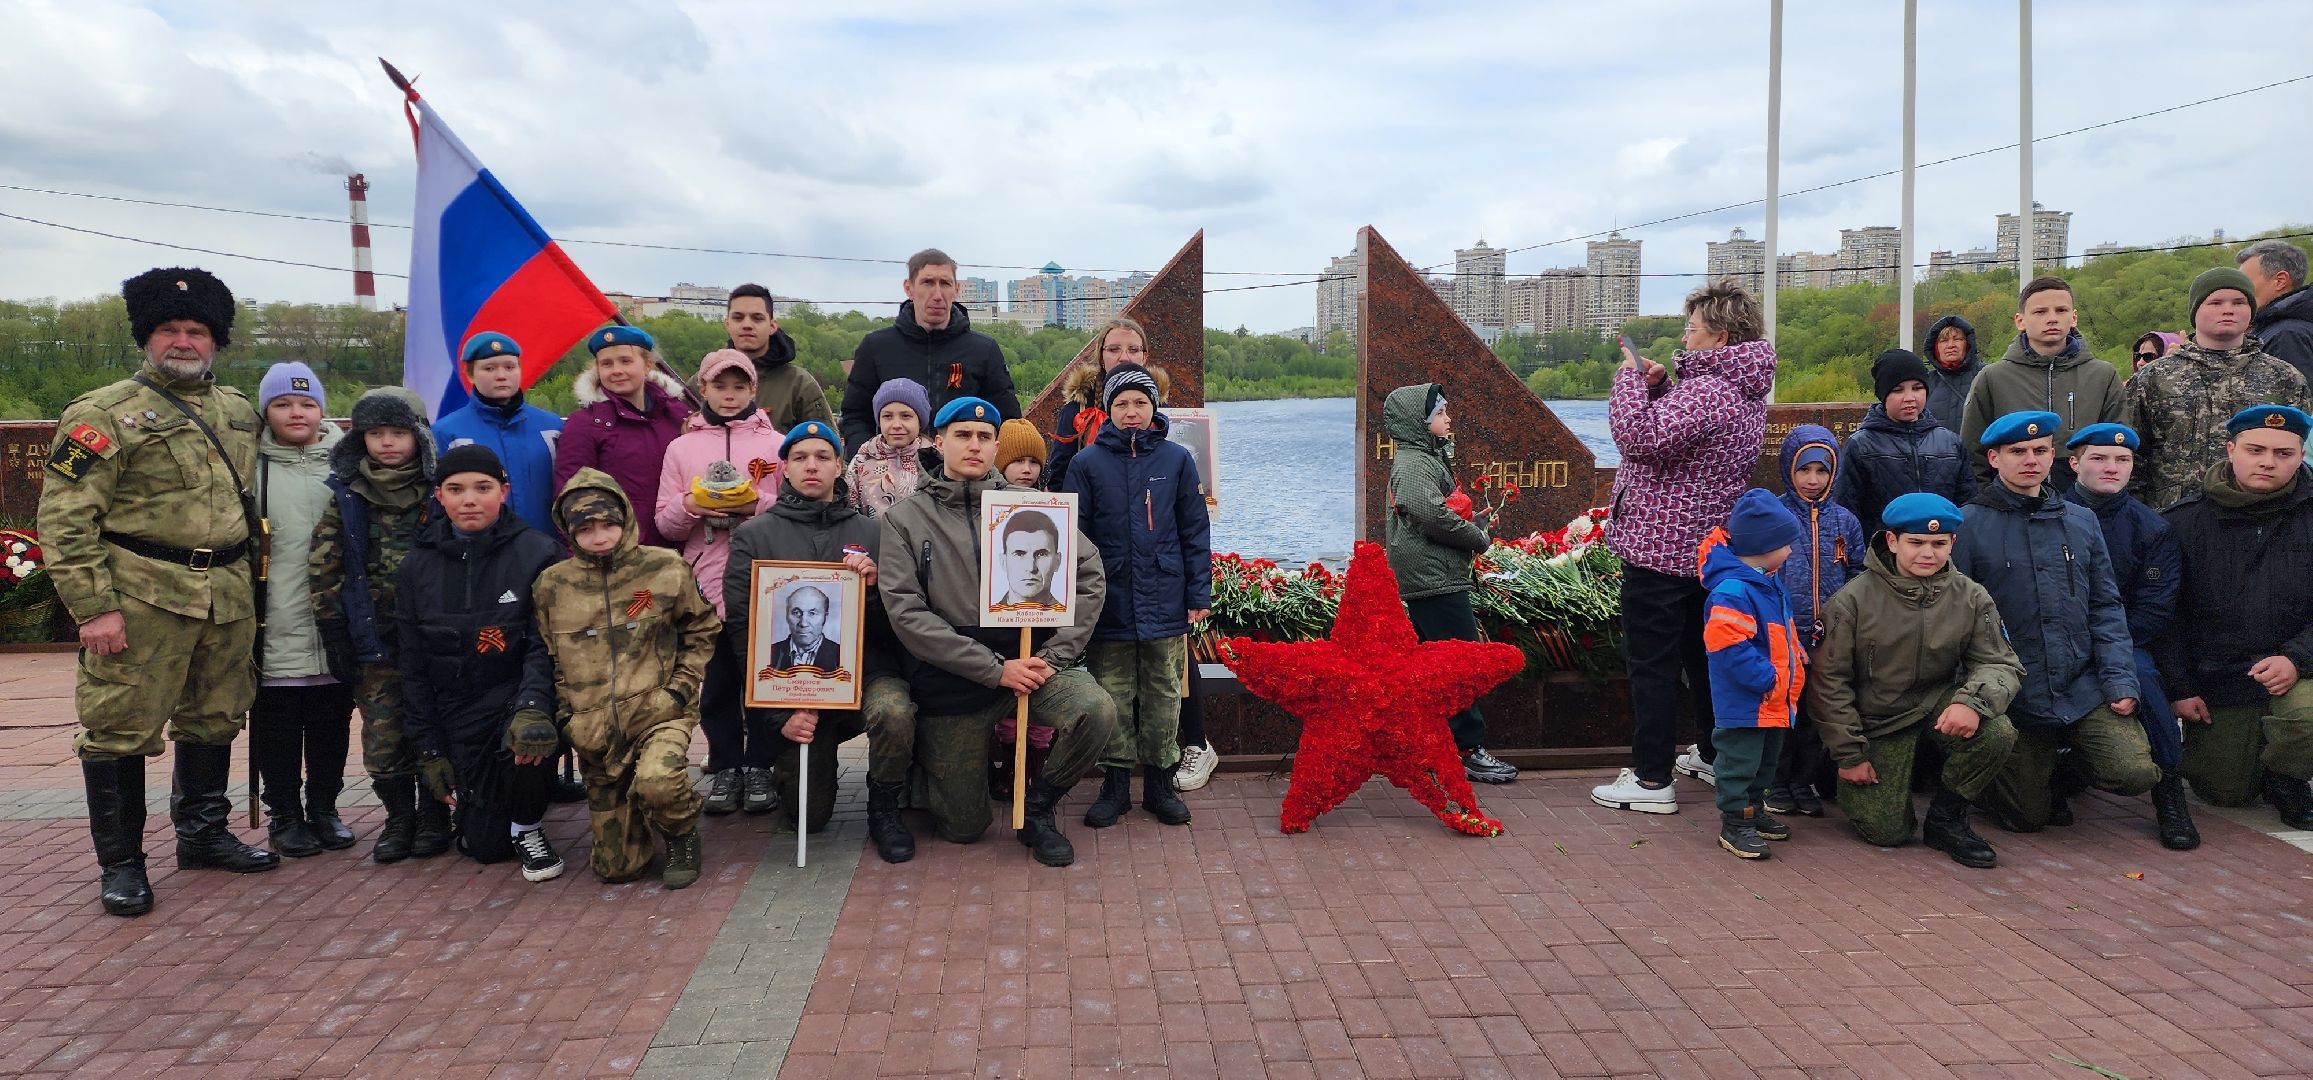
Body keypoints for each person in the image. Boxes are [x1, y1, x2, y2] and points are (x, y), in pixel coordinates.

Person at [41, 267, 278, 915]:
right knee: (118, 729)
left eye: (195, 330)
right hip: (140, 598)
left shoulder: (235, 412)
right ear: (146, 339)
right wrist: (94, 609)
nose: (182, 341)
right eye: (168, 330)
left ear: (216, 342)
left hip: (225, 593)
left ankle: (201, 836)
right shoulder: (100, 414)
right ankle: (121, 865)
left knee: (216, 714)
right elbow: (66, 519)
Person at [877, 397, 1117, 867]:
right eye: (963, 435)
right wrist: (992, 670)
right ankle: (935, 771)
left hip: (1031, 666)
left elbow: (1091, 576)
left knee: (1096, 710)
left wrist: (1054, 657)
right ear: (939, 441)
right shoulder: (904, 520)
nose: (974, 445)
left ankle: (1040, 807)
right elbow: (906, 614)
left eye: (985, 437)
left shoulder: (1034, 508)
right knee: (963, 829)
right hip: (954, 681)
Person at [1592, 280, 1776, 815]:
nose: (1684, 337)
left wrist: (1628, 382)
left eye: (1692, 329)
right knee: (1703, 658)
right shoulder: (1742, 390)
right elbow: (1681, 442)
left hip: (1659, 549)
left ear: (1718, 337)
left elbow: (1641, 439)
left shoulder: (1710, 390)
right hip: (1706, 551)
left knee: (1651, 664)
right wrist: (1658, 387)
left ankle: (1651, 780)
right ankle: (1716, 754)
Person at [1952, 411, 2159, 835]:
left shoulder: (2080, 521)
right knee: (2026, 818)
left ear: (2054, 457)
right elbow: (1956, 621)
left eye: (2040, 450)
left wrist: (2120, 682)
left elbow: (2105, 606)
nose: (2031, 459)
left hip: (2078, 685)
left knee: (2133, 772)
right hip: (2013, 693)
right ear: (1994, 458)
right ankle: (2008, 775)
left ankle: (2061, 770)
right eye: (2018, 452)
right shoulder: (1968, 525)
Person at [727, 420, 919, 854]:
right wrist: (780, 716)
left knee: (893, 711)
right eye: (799, 458)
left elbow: (901, 621)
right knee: (807, 819)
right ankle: (811, 769)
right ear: (785, 469)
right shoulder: (754, 536)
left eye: (822, 457)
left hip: (865, 674)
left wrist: (873, 591)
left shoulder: (873, 532)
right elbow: (744, 631)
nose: (811, 466)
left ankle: (884, 805)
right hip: (794, 689)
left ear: (839, 467)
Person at [1805, 493, 2021, 868]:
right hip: (1878, 721)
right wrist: (1848, 753)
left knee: (1996, 731)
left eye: (1939, 544)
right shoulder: (1852, 601)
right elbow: (1828, 684)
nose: (1928, 553)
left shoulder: (1971, 596)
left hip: (1935, 703)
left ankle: (1947, 820)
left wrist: (1972, 702)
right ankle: (1832, 769)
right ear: (1892, 541)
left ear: (1952, 542)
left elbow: (2000, 663)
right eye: (1916, 542)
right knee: (1887, 832)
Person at [535, 470, 718, 887]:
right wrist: (569, 720)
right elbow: (548, 656)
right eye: (586, 528)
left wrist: (680, 690)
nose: (599, 537)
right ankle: (639, 811)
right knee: (619, 870)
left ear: (626, 520)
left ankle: (680, 830)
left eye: (609, 524)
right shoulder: (552, 585)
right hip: (595, 729)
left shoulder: (665, 568)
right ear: (568, 530)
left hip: (659, 711)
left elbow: (702, 629)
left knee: (659, 781)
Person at [397, 445, 567, 881]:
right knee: (487, 847)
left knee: (532, 737)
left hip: (515, 698)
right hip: (457, 709)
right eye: (455, 489)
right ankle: (480, 810)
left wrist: (533, 706)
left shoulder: (539, 553)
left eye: (482, 488)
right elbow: (413, 665)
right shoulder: (417, 566)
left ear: (504, 492)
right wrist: (429, 749)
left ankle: (529, 825)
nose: (469, 499)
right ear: (439, 496)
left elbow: (542, 646)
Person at [1066, 363, 1215, 826]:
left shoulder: (1176, 460)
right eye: (1122, 403)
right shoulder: (1086, 463)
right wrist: (1079, 600)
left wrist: (1198, 592)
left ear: (1154, 407)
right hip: (1109, 601)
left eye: (1140, 402)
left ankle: (1158, 784)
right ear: (1108, 410)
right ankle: (1114, 786)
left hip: (1165, 598)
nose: (1131, 411)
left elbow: (1194, 531)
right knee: (1113, 694)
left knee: (1164, 693)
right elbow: (1074, 536)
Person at [2156, 405, 2313, 831]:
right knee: (2224, 791)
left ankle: (2288, 776)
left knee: (2305, 718)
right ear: (2231, 449)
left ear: (2301, 455)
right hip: (2221, 677)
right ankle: (2261, 755)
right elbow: (2166, 618)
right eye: (2256, 449)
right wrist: (2181, 688)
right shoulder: (2184, 522)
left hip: (2298, 670)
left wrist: (2297, 658)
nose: (2268, 461)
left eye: (2284, 453)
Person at [312, 386, 444, 863]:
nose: (387, 443)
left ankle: (435, 815)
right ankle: (398, 818)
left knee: (433, 724)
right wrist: (332, 627)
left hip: (434, 638)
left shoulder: (441, 492)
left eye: (398, 433)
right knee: (384, 732)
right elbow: (325, 563)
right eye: (375, 433)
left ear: (419, 437)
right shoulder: (347, 495)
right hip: (374, 639)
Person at [654, 348, 783, 816]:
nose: (729, 396)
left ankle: (761, 765)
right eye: (719, 386)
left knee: (763, 675)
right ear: (702, 389)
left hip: (764, 574)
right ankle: (726, 764)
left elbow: (792, 510)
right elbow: (665, 523)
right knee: (718, 681)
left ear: (753, 390)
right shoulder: (681, 448)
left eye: (739, 386)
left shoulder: (776, 445)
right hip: (705, 576)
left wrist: (754, 506)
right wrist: (693, 504)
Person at [2063, 423, 2198, 849]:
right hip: (2054, 641)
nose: (2112, 467)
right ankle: (2056, 778)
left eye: (2122, 460)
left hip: (2125, 642)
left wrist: (2107, 648)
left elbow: (2155, 609)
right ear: (2074, 463)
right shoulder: (2047, 514)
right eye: (2099, 458)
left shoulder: (2151, 528)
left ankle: (2170, 791)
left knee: (2145, 681)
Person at [1381, 383, 1517, 784]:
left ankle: (1435, 746)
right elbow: (1432, 516)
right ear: (1418, 423)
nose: (1448, 418)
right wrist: (1477, 538)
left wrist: (1471, 522)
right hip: (1434, 579)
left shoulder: (1425, 458)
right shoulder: (1415, 463)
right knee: (1459, 664)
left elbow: (1436, 510)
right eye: (1440, 414)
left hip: (1432, 575)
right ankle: (1468, 749)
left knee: (1438, 664)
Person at [249, 363, 354, 857]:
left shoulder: (347, 463)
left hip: (334, 618)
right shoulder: (251, 466)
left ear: (322, 410)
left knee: (333, 719)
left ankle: (325, 809)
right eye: (283, 404)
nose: (296, 413)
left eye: (307, 403)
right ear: (266, 410)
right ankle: (285, 815)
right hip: (276, 618)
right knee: (279, 723)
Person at [2123, 266, 2310, 509]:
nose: (2228, 310)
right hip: (2171, 517)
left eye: (2239, 302)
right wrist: (2142, 519)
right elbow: (2129, 455)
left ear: (2251, 312)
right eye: (2216, 302)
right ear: (2195, 311)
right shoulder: (2155, 377)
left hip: (2260, 516)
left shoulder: (2284, 377)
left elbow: (2300, 453)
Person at [1698, 490, 1806, 859]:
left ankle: (1754, 810)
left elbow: (1781, 633)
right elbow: (1728, 647)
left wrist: (1795, 659)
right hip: (1749, 700)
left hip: (1772, 699)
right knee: (1739, 763)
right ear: (1763, 546)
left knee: (1765, 762)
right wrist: (1768, 677)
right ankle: (1736, 821)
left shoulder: (1766, 582)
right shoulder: (1734, 590)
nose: (1791, 552)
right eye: (1785, 545)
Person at [1769, 425, 1864, 817]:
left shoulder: (1845, 521)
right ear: (1788, 470)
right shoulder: (1774, 515)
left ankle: (1802, 781)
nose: (1812, 479)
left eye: (1821, 471)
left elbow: (1858, 575)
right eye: (1804, 469)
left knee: (1815, 710)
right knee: (1781, 711)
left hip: (1827, 637)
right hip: (1781, 634)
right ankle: (1775, 781)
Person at [839, 250, 1019, 457]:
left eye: (945, 283)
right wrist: (870, 462)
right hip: (890, 474)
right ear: (909, 288)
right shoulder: (876, 347)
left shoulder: (983, 350)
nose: (937, 294)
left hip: (963, 475)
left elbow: (1008, 421)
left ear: (956, 289)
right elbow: (855, 416)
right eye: (927, 283)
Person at [1958, 276, 2127, 491]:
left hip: (2086, 506)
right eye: (2040, 312)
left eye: (2061, 310)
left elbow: (2119, 449)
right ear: (2020, 320)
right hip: (2012, 505)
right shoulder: (1992, 378)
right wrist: (1988, 505)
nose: (2052, 318)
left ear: (2074, 317)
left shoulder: (2103, 376)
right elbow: (1974, 455)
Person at [553, 325, 693, 548]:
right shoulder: (584, 425)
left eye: (625, 361)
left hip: (681, 549)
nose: (616, 370)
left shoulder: (678, 416)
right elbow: (570, 499)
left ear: (647, 365)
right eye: (606, 364)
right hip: (621, 554)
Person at [1833, 349, 1976, 539]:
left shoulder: (1951, 443)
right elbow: (1847, 511)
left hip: (1940, 553)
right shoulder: (1862, 445)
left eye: (1917, 388)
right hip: (1883, 556)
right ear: (1883, 395)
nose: (1909, 398)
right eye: (1898, 390)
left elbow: (1967, 506)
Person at [432, 332, 564, 536]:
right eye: (489, 368)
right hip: (483, 552)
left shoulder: (552, 426)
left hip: (549, 546)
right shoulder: (447, 431)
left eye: (510, 367)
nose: (501, 375)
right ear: (470, 374)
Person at [1046, 317, 1168, 491]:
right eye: (1114, 349)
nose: (1124, 358)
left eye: (1133, 350)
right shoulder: (1078, 407)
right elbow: (1059, 478)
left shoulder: (1162, 409)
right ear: (1101, 356)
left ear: (1144, 357)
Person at [724, 283, 834, 431]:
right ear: (727, 324)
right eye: (738, 318)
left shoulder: (799, 385)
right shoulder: (705, 381)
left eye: (757, 318)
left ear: (772, 326)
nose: (747, 325)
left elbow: (827, 446)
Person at [844, 378, 933, 516]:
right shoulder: (862, 460)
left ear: (920, 421)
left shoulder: (936, 460)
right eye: (887, 416)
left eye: (906, 416)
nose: (896, 425)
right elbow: (849, 509)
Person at [2239, 240, 2313, 382]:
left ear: (2280, 281)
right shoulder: (2280, 327)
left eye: (2245, 283)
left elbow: (2284, 401)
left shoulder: (2287, 336)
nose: (2240, 291)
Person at [1922, 315, 1983, 437]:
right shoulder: (1924, 382)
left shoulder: (1986, 376)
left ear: (1968, 344)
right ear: (1935, 347)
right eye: (1944, 340)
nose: (1951, 345)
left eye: (1957, 339)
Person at [995, 510, 1065, 610]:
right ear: (1003, 562)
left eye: (1041, 554)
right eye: (1019, 554)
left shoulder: (1073, 621)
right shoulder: (984, 620)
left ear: (1057, 561)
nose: (1031, 567)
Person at [771, 586, 842, 669]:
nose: (803, 623)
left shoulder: (840, 655)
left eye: (812, 613)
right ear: (787, 615)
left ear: (825, 617)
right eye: (796, 613)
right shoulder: (770, 653)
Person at [997, 419, 1047, 490]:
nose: (1027, 469)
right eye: (1019, 461)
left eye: (1034, 462)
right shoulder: (981, 497)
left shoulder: (1048, 498)